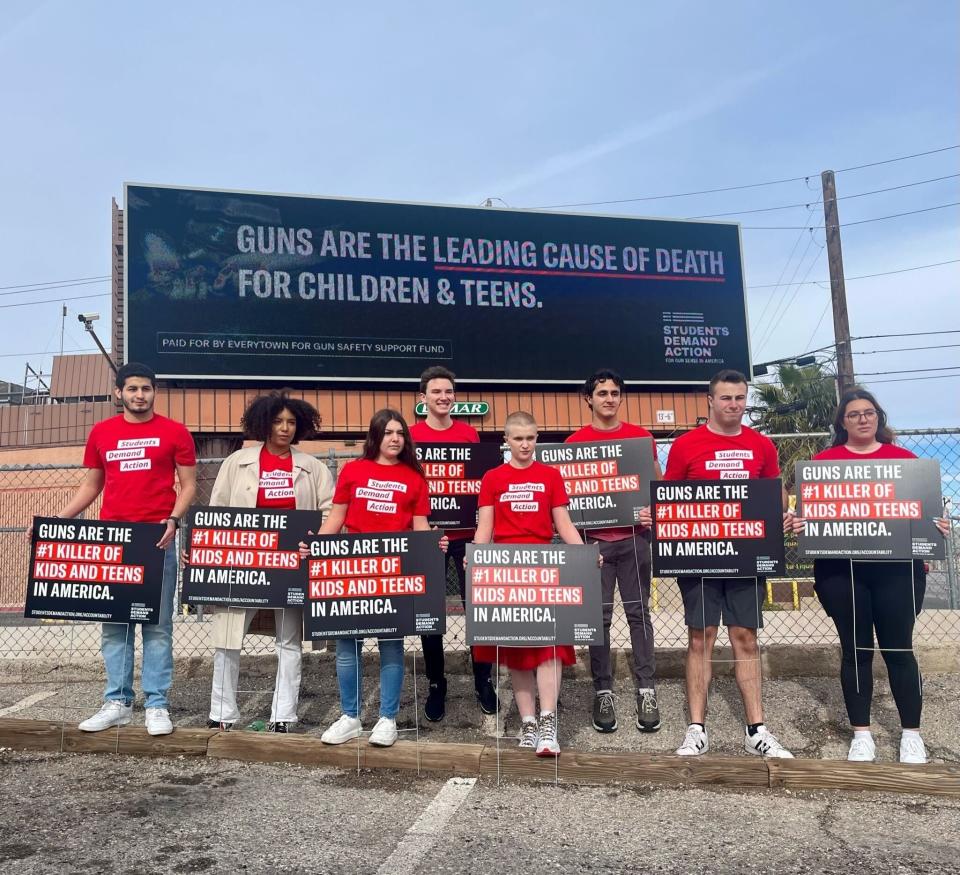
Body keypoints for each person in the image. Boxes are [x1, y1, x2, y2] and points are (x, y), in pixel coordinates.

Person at [790, 387, 951, 764]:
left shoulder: (904, 460)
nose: (863, 418)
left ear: (878, 417)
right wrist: (799, 524)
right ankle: (861, 733)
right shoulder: (823, 464)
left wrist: (937, 525)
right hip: (842, 573)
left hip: (898, 573)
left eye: (869, 412)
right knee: (856, 650)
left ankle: (911, 733)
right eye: (854, 414)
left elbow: (923, 515)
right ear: (841, 422)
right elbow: (809, 519)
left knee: (899, 650)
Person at [47, 362, 196, 735]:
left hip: (156, 539)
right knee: (115, 628)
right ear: (119, 393)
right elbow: (91, 486)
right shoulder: (102, 433)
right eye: (132, 389)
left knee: (157, 626)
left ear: (154, 392)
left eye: (146, 388)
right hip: (112, 542)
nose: (139, 395)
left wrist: (174, 518)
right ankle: (117, 702)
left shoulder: (175, 432)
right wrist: (57, 521)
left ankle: (157, 705)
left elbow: (189, 485)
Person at [664, 369, 793, 758]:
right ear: (710, 401)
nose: (733, 405)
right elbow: (670, 497)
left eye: (739, 398)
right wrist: (656, 515)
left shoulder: (762, 446)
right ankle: (696, 728)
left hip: (746, 557)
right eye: (726, 398)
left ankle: (757, 729)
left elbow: (776, 493)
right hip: (699, 558)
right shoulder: (686, 445)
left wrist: (782, 515)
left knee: (745, 638)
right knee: (700, 637)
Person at [205, 391, 334, 732]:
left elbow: (329, 512)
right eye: (278, 421)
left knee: (288, 641)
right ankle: (221, 714)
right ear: (263, 423)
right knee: (228, 637)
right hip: (242, 562)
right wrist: (204, 548)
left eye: (291, 422)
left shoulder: (313, 467)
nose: (285, 428)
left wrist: (315, 541)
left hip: (291, 564)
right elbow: (215, 512)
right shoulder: (237, 462)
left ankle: (283, 715)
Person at [318, 408, 440, 748]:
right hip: (353, 568)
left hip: (394, 571)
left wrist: (433, 544)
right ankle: (351, 717)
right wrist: (314, 546)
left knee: (391, 649)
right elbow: (336, 519)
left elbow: (420, 529)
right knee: (347, 648)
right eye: (388, 432)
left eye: (400, 433)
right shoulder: (353, 471)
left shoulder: (415, 477)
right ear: (375, 436)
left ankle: (387, 719)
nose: (395, 438)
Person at [473, 411, 589, 758]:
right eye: (518, 438)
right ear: (506, 441)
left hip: (544, 566)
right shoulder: (493, 478)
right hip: (506, 570)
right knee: (518, 654)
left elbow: (564, 524)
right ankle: (528, 723)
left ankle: (549, 721)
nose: (525, 444)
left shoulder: (550, 476)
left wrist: (583, 554)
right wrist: (475, 558)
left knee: (549, 648)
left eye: (531, 438)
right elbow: (485, 529)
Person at [566, 369, 661, 734]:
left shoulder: (641, 438)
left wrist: (654, 508)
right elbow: (569, 499)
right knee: (598, 621)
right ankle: (603, 690)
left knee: (640, 616)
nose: (609, 398)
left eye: (615, 392)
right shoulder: (576, 443)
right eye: (602, 393)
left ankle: (646, 689)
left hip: (635, 539)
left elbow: (655, 483)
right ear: (588, 398)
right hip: (595, 544)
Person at [410, 365, 497, 721]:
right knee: (429, 616)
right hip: (428, 537)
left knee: (477, 610)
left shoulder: (468, 436)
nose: (443, 397)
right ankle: (436, 683)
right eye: (436, 392)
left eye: (448, 392)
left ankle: (482, 679)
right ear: (423, 398)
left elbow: (476, 487)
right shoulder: (412, 437)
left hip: (464, 538)